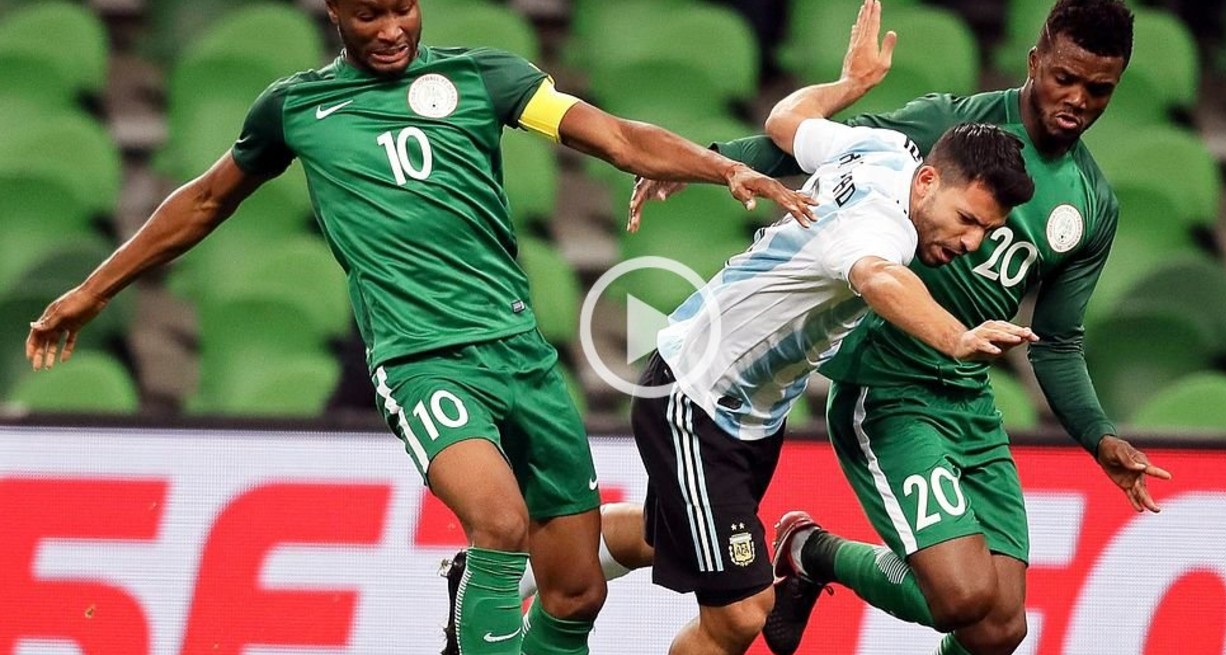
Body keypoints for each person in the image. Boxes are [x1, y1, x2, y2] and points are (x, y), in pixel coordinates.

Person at [22, 2, 817, 654]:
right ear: (334, 11)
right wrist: (91, 292)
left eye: (404, 7)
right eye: (370, 14)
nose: (394, 27)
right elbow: (201, 201)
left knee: (574, 587)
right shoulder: (296, 108)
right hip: (421, 360)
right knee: (498, 524)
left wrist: (724, 166)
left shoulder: (484, 76)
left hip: (520, 355)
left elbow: (611, 136)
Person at [624, 1, 1175, 654]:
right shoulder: (946, 128)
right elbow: (815, 156)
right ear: (1035, 63)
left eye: (1099, 89)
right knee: (950, 597)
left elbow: (1057, 341)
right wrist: (712, 163)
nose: (1077, 100)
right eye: (1065, 78)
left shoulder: (1092, 203)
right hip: (886, 384)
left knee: (999, 627)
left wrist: (1098, 435)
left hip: (964, 395)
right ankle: (811, 550)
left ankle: (541, 568)